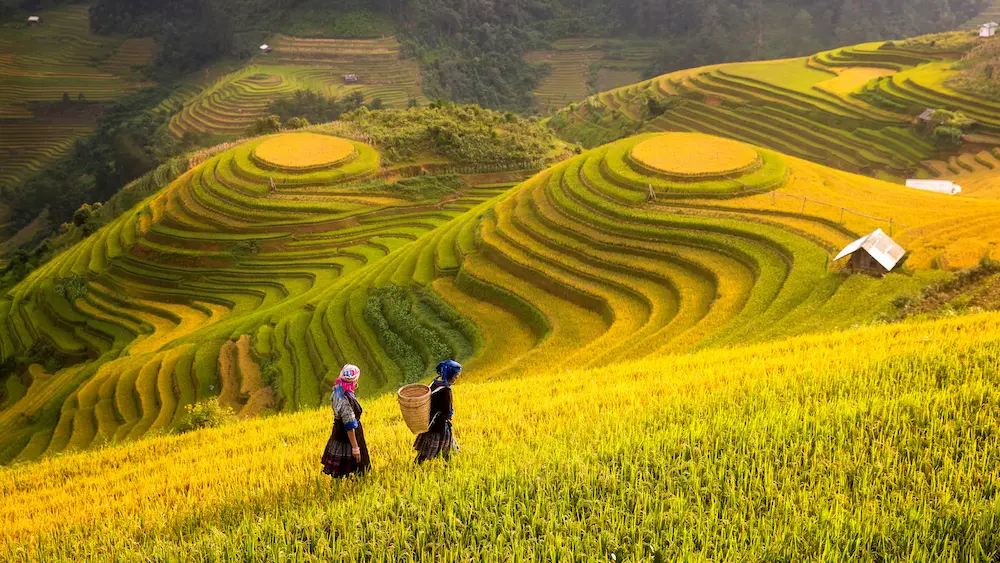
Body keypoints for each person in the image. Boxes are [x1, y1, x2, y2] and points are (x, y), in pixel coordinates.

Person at [321, 364, 370, 478]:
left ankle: (339, 486)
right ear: (355, 380)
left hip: (337, 431)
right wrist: (355, 447)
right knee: (358, 464)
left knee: (339, 467)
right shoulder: (345, 399)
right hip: (348, 433)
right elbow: (349, 425)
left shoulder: (337, 391)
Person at [414, 360, 462, 464]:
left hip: (429, 421)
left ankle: (447, 466)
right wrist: (451, 415)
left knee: (427, 447)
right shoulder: (446, 391)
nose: (456, 378)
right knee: (444, 447)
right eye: (456, 376)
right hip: (439, 425)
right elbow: (447, 411)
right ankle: (447, 466)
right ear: (450, 375)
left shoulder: (434, 383)